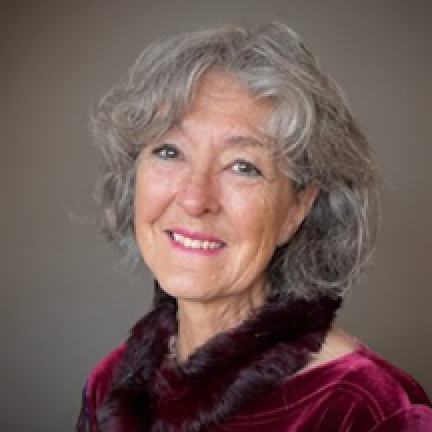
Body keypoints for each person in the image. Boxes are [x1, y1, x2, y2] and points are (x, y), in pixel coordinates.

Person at [76, 22, 432, 431]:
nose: (195, 199)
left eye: (243, 167)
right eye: (170, 151)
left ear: (298, 207)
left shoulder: (368, 407)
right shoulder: (110, 387)